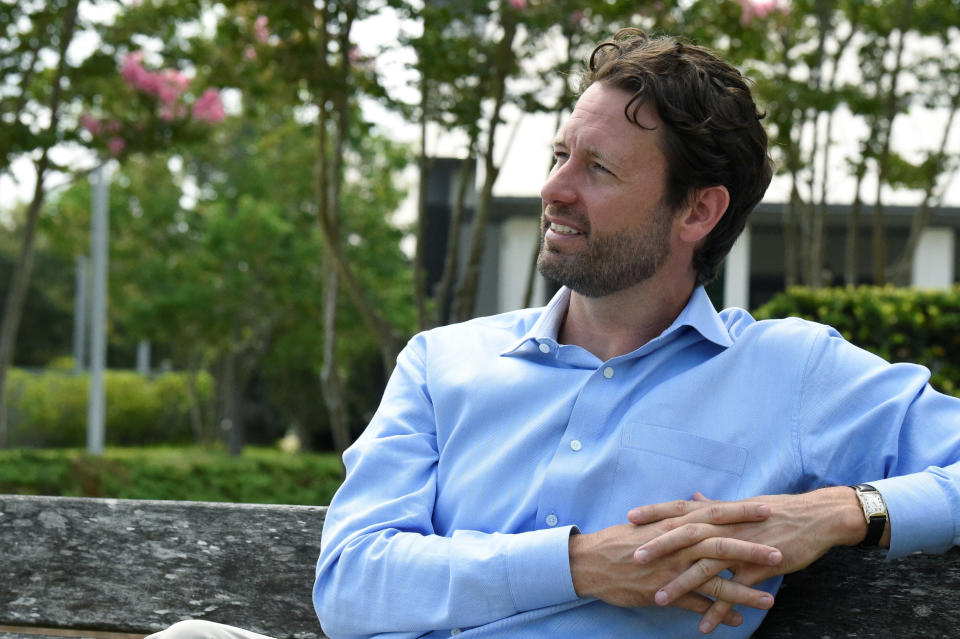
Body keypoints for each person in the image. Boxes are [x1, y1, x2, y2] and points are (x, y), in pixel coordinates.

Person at [150, 28, 960, 639]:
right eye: (560, 154)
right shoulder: (441, 362)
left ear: (698, 210)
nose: (553, 188)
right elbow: (351, 580)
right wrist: (579, 563)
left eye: (597, 169)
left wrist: (845, 510)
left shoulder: (794, 371)